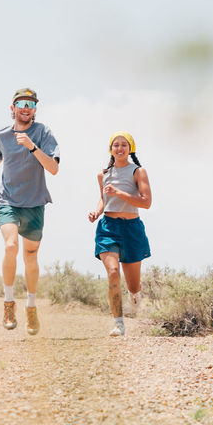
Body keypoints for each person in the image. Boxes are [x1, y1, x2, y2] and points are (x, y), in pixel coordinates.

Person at [0, 88, 60, 335]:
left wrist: (32, 147)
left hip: (35, 202)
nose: (26, 107)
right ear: (13, 108)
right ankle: (8, 304)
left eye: (31, 103)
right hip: (7, 200)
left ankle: (31, 308)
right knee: (10, 246)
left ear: (35, 109)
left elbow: (53, 168)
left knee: (30, 256)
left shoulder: (43, 133)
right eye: (21, 103)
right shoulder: (1, 135)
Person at [88, 131, 152, 337]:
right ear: (111, 149)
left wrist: (120, 193)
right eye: (116, 145)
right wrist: (97, 212)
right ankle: (119, 323)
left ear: (130, 148)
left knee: (133, 285)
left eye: (124, 144)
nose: (120, 148)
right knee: (113, 272)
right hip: (108, 227)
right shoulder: (103, 174)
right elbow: (103, 199)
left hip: (132, 228)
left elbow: (146, 202)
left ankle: (134, 294)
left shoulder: (138, 172)